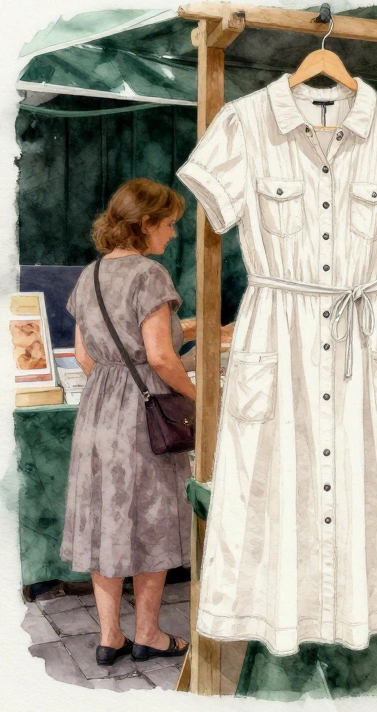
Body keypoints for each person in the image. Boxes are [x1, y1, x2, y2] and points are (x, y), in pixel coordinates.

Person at [62, 179, 194, 666]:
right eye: (169, 224)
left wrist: (114, 387)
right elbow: (161, 355)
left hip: (98, 412)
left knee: (106, 522)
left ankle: (109, 636)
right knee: (151, 521)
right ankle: (149, 634)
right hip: (144, 413)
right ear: (146, 225)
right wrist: (198, 396)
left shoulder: (89, 275)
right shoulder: (150, 275)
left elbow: (83, 356)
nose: (173, 234)